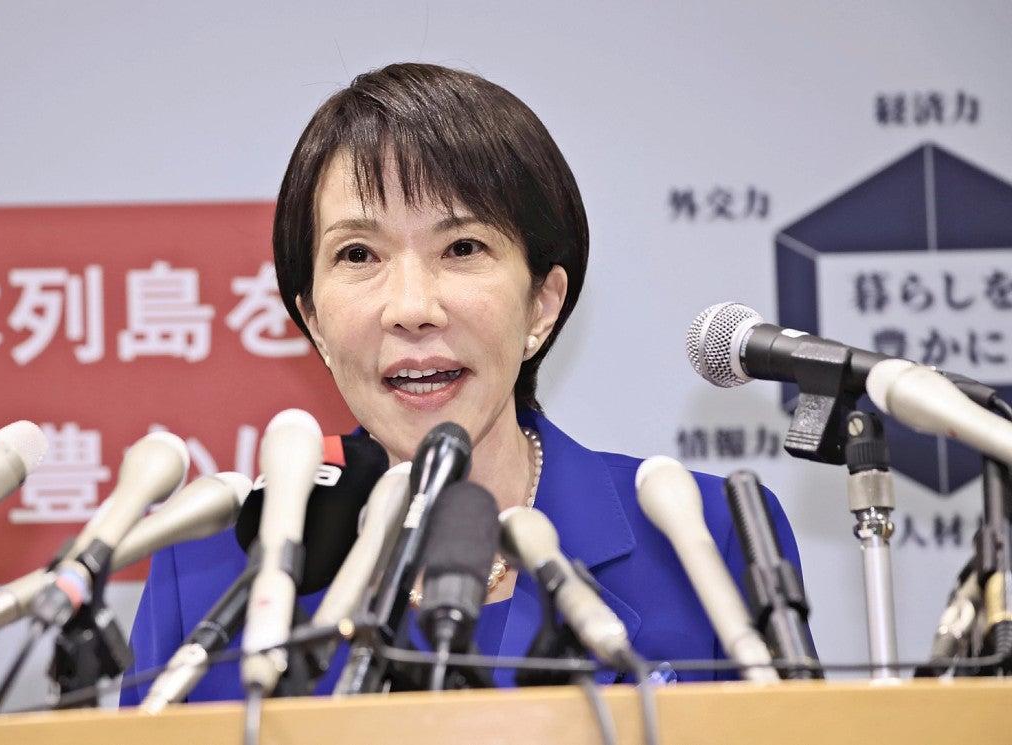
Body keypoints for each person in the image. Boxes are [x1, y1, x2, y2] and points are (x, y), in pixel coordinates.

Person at [120, 62, 803, 704]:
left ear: (541, 304)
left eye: (463, 248)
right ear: (315, 321)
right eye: (358, 254)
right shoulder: (211, 570)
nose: (411, 307)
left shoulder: (703, 537)